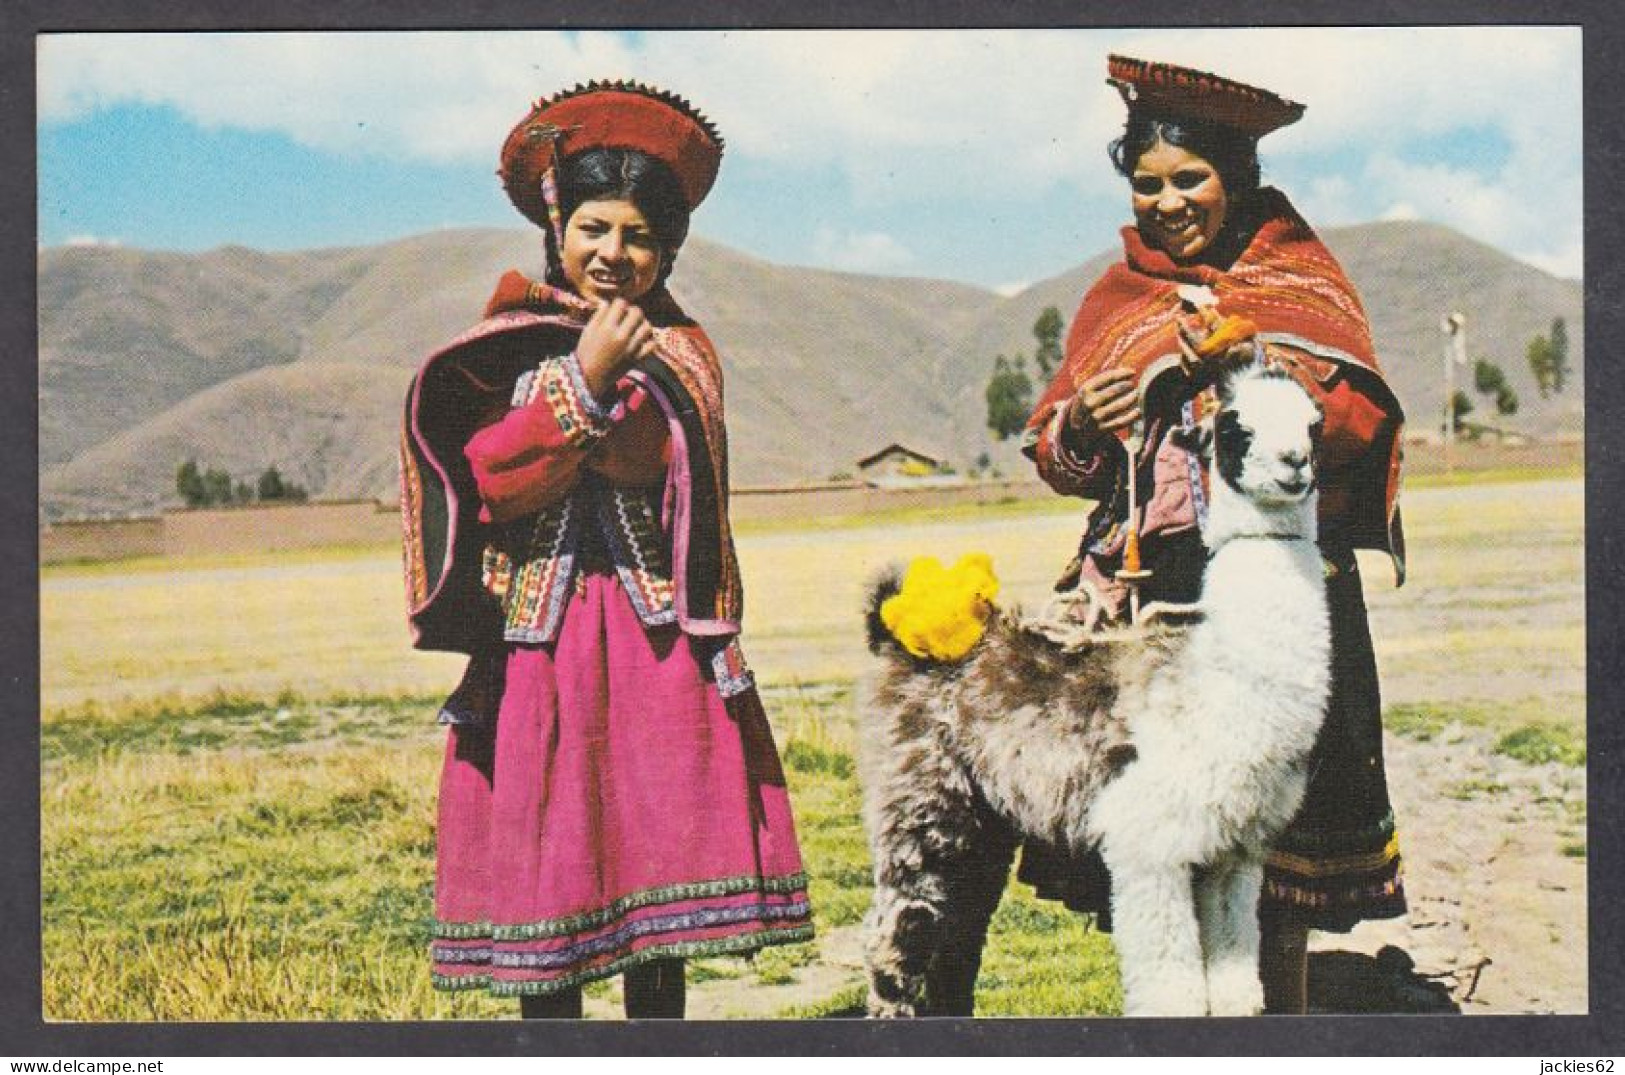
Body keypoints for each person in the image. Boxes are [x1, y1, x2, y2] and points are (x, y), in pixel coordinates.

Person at [399, 82, 812, 1019]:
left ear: (665, 250)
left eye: (637, 237)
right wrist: (583, 376)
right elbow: (492, 479)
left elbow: (652, 466)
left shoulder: (682, 353)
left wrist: (608, 383)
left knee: (652, 848)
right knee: (555, 855)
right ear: (558, 231)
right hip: (538, 645)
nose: (612, 255)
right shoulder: (505, 348)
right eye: (594, 229)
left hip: (653, 637)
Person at [1020, 55, 1408, 1014]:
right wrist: (1080, 424)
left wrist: (1252, 356)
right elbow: (1061, 459)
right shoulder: (1122, 296)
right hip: (1163, 599)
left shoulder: (1294, 277)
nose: (1167, 201)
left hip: (1278, 592)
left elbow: (1355, 425)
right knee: (1168, 830)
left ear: (1235, 177)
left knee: (1277, 842)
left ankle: (1281, 1022)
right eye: (1146, 184)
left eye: (1188, 178)